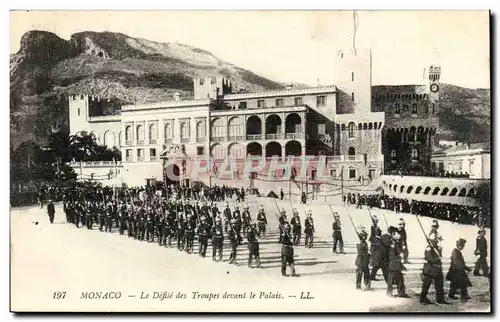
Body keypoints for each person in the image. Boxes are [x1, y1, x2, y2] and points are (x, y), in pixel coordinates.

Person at [420, 232, 449, 305]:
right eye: (438, 240)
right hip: (430, 269)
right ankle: (423, 298)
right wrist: (437, 258)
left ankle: (440, 299)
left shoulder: (438, 248)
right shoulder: (429, 248)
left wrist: (439, 252)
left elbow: (439, 256)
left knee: (439, 285)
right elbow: (429, 258)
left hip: (437, 269)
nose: (439, 241)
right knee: (426, 285)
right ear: (434, 240)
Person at [446, 238, 472, 302]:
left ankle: (452, 295)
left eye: (463, 246)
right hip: (455, 271)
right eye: (462, 246)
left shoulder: (457, 252)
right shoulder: (455, 252)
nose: (463, 247)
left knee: (455, 284)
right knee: (461, 283)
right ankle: (463, 296)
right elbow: (457, 262)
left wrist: (467, 268)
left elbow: (461, 263)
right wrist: (463, 269)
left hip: (457, 270)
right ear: (459, 245)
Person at [386, 227, 410, 298]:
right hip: (393, 264)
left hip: (397, 264)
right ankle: (389, 294)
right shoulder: (392, 244)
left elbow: (399, 250)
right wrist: (399, 257)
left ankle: (401, 293)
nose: (399, 235)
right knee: (390, 280)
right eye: (397, 234)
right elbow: (392, 255)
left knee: (400, 279)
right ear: (393, 235)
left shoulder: (397, 242)